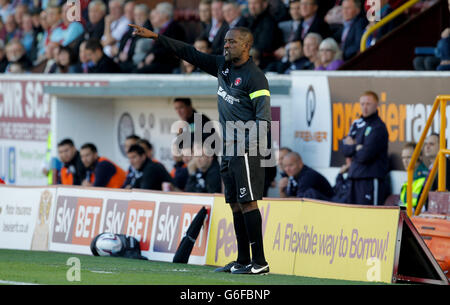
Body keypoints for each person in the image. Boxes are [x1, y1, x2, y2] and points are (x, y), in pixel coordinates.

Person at [129, 24, 271, 274]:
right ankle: (241, 260)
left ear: (246, 46)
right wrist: (157, 37)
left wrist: (246, 149)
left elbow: (264, 120)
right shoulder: (222, 67)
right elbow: (190, 53)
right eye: (225, 41)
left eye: (232, 42)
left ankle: (259, 262)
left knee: (248, 203)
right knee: (236, 204)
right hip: (227, 149)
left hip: (246, 150)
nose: (226, 45)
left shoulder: (255, 77)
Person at [342, 91, 389, 205]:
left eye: (368, 104)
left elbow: (365, 155)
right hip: (353, 177)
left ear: (376, 105)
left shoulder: (378, 127)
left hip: (370, 179)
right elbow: (345, 150)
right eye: (362, 104)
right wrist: (356, 147)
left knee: (370, 216)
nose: (365, 107)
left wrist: (353, 146)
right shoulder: (356, 124)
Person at [135, 2, 186, 73]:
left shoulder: (175, 28)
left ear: (165, 15)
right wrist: (143, 61)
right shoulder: (161, 29)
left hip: (167, 63)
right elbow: (153, 48)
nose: (155, 15)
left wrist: (155, 55)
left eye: (157, 13)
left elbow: (172, 48)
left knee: (138, 72)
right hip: (157, 61)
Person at [399, 142, 428, 209]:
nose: (405, 161)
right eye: (403, 158)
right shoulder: (408, 180)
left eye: (409, 157)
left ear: (420, 157)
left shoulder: (425, 178)